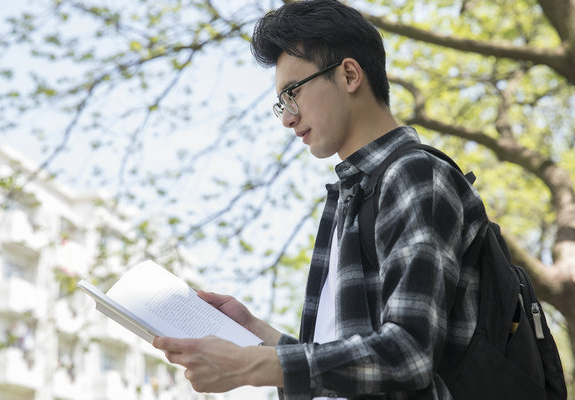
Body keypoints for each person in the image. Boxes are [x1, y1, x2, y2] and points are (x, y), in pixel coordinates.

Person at [153, 0, 488, 399]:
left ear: (349, 74)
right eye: (281, 103)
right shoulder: (351, 197)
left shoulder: (414, 175)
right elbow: (348, 369)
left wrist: (251, 366)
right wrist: (256, 335)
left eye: (292, 93)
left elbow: (407, 354)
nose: (287, 118)